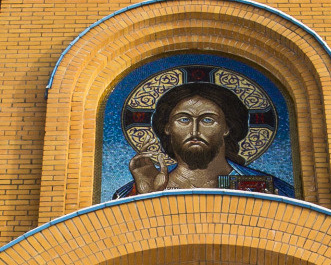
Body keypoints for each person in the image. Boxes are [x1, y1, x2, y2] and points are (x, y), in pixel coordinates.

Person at [115, 82, 295, 198]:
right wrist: (144, 195)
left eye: (208, 120)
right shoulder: (134, 190)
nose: (194, 130)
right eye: (184, 119)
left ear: (227, 128)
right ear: (167, 127)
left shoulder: (267, 186)